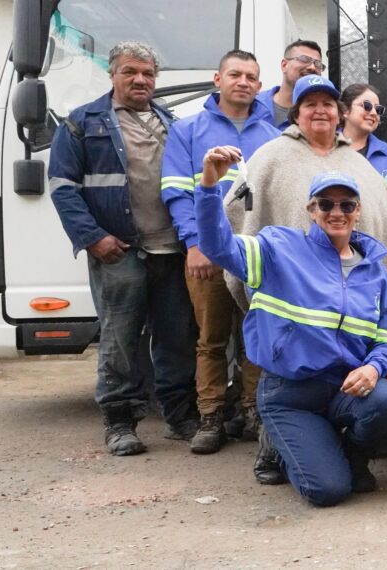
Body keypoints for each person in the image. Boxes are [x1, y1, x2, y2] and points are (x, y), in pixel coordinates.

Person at [224, 74, 387, 484]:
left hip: (354, 302)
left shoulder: (356, 162)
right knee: (288, 369)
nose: (320, 110)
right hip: (292, 302)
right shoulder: (270, 157)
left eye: (328, 103)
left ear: (339, 112)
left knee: (372, 391)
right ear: (296, 113)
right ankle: (276, 446)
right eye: (310, 103)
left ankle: (339, 448)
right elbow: (236, 220)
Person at [197, 159, 387, 506]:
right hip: (290, 392)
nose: (336, 212)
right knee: (327, 492)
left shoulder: (377, 273)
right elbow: (217, 246)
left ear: (358, 212)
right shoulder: (277, 248)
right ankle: (277, 445)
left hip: (345, 388)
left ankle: (352, 457)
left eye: (346, 205)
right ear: (311, 210)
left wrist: (372, 368)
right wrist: (208, 187)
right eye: (325, 204)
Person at [49, 42, 198, 456]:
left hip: (170, 251)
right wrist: (92, 238)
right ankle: (119, 423)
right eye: (130, 72)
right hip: (119, 250)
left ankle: (180, 416)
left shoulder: (172, 123)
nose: (140, 80)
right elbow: (62, 189)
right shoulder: (83, 123)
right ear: (112, 75)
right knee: (120, 340)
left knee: (175, 338)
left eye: (148, 74)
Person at [160, 49, 280, 455]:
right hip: (208, 253)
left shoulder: (272, 136)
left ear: (260, 86)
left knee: (255, 337)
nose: (243, 82)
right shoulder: (188, 130)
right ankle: (210, 417)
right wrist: (195, 243)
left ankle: (253, 412)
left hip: (255, 256)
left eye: (251, 76)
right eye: (235, 74)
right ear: (218, 79)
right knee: (211, 340)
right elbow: (176, 192)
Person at [340, 83, 387, 192]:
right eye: (366, 106)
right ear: (345, 110)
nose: (373, 113)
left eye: (378, 109)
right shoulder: (326, 146)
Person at [255, 39, 323, 129]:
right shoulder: (254, 104)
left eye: (318, 64)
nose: (312, 67)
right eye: (304, 59)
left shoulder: (321, 115)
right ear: (284, 65)